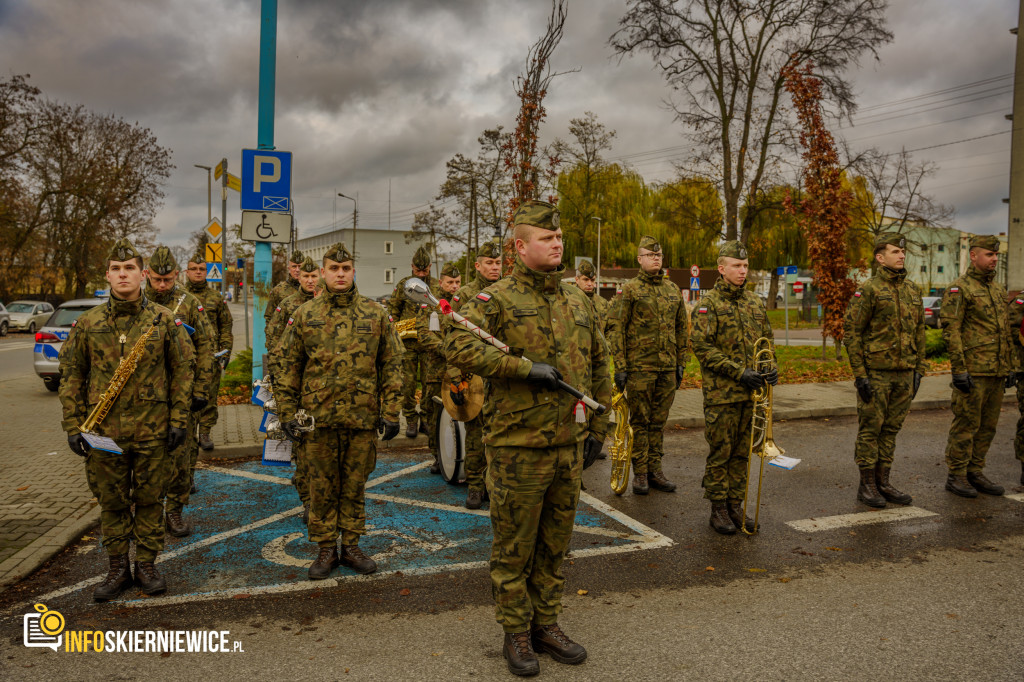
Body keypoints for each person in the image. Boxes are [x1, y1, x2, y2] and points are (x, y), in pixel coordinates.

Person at [446, 200, 611, 677]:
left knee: (555, 545)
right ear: (519, 246)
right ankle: (516, 631)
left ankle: (547, 624)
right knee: (515, 546)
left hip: (568, 445)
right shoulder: (492, 300)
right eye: (546, 238)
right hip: (517, 447)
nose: (556, 244)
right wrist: (522, 368)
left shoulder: (577, 299)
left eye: (559, 238)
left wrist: (599, 427)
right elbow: (455, 344)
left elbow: (601, 363)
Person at [58, 238, 194, 600]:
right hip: (104, 433)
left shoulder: (164, 321)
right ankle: (117, 568)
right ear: (107, 275)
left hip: (154, 431)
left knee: (151, 501)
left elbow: (182, 371)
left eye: (130, 268)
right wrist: (73, 426)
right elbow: (71, 375)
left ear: (142, 274)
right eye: (116, 269)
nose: (123, 274)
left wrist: (180, 420)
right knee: (113, 503)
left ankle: (146, 566)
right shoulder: (88, 323)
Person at [274, 242, 404, 580]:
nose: (341, 274)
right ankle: (325, 549)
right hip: (316, 421)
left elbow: (392, 364)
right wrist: (287, 412)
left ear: (353, 272)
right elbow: (286, 364)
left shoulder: (375, 314)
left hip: (362, 419)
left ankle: (351, 546)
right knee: (320, 486)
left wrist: (392, 411)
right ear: (323, 274)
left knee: (355, 484)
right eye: (334, 269)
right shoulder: (305, 314)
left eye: (346, 269)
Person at [689, 240, 776, 535]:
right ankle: (718, 509)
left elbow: (766, 339)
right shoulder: (708, 304)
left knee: (742, 454)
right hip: (721, 395)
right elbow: (701, 347)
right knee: (721, 453)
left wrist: (770, 367)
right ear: (721, 268)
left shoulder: (753, 302)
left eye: (746, 266)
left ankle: (736, 506)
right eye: (737, 266)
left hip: (750, 395)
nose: (743, 271)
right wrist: (738, 373)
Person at [842, 233, 925, 508]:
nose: (902, 255)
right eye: (895, 252)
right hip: (876, 373)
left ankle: (883, 482)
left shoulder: (913, 290)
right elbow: (852, 333)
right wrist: (860, 375)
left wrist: (919, 369)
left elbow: (920, 333)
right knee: (871, 430)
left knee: (891, 430)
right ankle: (866, 485)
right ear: (880, 257)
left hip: (904, 373)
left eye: (903, 252)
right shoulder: (869, 290)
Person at [608, 235, 689, 495]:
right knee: (640, 422)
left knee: (658, 422)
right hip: (639, 369)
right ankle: (640, 473)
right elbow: (616, 328)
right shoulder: (629, 289)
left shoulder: (672, 289)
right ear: (640, 259)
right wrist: (620, 366)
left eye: (659, 255)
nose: (656, 259)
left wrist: (681, 363)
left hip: (667, 368)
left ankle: (655, 471)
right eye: (650, 255)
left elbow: (681, 329)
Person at [146, 246, 216, 538]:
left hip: (181, 393)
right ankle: (148, 511)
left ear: (176, 275)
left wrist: (202, 388)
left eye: (167, 279)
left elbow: (206, 346)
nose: (162, 285)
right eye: (157, 279)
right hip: (146, 397)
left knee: (181, 459)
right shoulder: (138, 303)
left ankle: (174, 511)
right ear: (147, 275)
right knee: (147, 460)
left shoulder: (189, 302)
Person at [940, 234, 1018, 497]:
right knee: (966, 423)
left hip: (996, 370)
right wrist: (959, 369)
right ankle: (957, 475)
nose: (995, 259)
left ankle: (975, 471)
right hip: (973, 370)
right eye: (989, 254)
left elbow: (1006, 330)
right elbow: (951, 330)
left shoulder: (997, 289)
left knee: (988, 426)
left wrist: (1009, 366)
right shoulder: (959, 288)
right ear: (974, 256)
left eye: (996, 255)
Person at [450, 240, 503, 508]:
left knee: (501, 433)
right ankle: (474, 485)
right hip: (474, 374)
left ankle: (494, 485)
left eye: (498, 263)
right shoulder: (465, 295)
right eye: (489, 263)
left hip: (503, 373)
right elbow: (453, 338)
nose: (494, 267)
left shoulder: (508, 291)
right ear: (478, 265)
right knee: (475, 432)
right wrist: (454, 378)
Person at [267, 256, 320, 523]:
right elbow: (274, 342)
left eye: (314, 276)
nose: (310, 281)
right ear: (298, 276)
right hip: (297, 387)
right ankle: (308, 500)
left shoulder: (326, 305)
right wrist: (280, 380)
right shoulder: (288, 305)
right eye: (306, 276)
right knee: (303, 447)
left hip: (324, 389)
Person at [185, 250, 234, 452]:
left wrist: (226, 351)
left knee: (209, 396)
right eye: (194, 269)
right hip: (185, 357)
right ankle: (188, 434)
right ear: (186, 272)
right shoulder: (180, 297)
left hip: (211, 357)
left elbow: (225, 326)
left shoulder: (216, 298)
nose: (198, 272)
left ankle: (204, 432)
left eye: (201, 269)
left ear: (207, 272)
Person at [417, 262, 461, 473]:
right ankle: (438, 456)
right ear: (441, 282)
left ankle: (460, 456)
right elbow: (424, 335)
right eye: (450, 282)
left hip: (461, 372)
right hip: (436, 372)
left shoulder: (465, 303)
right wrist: (448, 349)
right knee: (435, 416)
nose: (454, 286)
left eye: (457, 282)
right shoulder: (430, 305)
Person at [389, 244, 434, 437]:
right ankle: (410, 420)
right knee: (407, 385)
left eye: (425, 270)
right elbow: (393, 311)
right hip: (407, 343)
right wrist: (396, 332)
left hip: (430, 344)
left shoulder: (436, 286)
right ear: (412, 267)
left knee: (429, 384)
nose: (422, 274)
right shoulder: (403, 285)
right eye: (418, 270)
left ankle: (425, 418)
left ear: (430, 267)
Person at [264, 249, 305, 330]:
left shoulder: (313, 289)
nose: (297, 270)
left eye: (300, 266)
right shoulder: (278, 291)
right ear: (288, 268)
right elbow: (269, 318)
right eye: (294, 266)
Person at [574, 259, 609, 336]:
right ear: (577, 280)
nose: (589, 284)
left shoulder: (603, 303)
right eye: (585, 280)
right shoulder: (569, 301)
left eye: (592, 280)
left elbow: (610, 329)